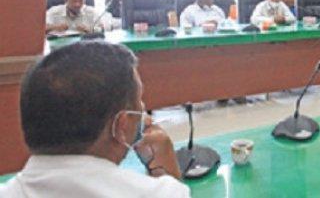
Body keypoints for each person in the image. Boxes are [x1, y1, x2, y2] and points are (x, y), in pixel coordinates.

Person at [0, 41, 189, 197]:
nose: (142, 108)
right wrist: (166, 167)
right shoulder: (161, 193)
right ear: (120, 126)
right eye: (139, 99)